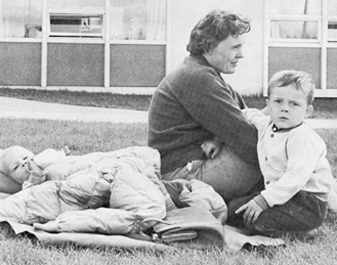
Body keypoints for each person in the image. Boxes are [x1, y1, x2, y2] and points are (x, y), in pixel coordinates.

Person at [148, 10, 262, 202]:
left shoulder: (201, 71)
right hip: (181, 176)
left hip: (190, 166)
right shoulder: (198, 77)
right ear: (209, 47)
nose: (240, 55)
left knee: (277, 141)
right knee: (270, 150)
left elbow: (247, 116)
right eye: (235, 47)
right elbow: (246, 138)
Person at [203, 70, 333, 237]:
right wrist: (218, 139)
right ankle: (268, 219)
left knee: (257, 223)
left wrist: (263, 201)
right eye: (278, 101)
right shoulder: (266, 124)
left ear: (307, 111)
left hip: (308, 203)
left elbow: (294, 179)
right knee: (234, 209)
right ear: (268, 105)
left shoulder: (303, 138)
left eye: (294, 104)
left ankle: (303, 232)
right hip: (278, 194)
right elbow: (244, 115)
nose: (285, 109)